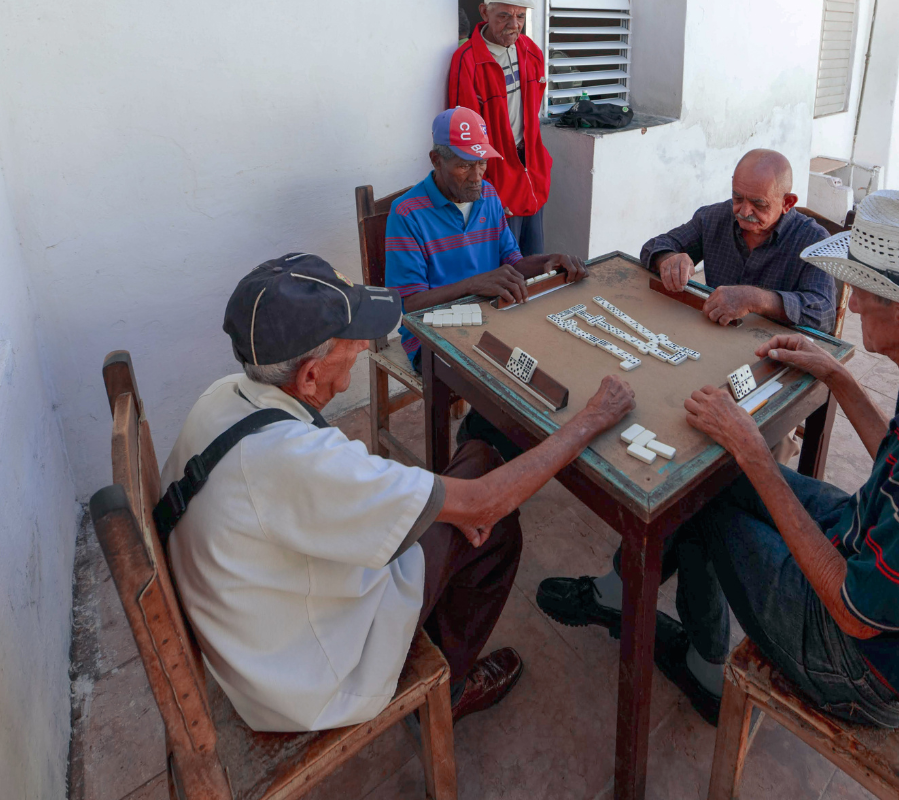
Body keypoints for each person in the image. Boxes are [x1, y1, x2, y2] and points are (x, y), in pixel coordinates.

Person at [539, 191, 899, 728]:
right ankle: (619, 590)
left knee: (696, 496)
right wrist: (837, 375)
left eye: (864, 293)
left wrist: (754, 451)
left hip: (869, 669)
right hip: (884, 555)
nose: (854, 304)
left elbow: (855, 612)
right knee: (718, 476)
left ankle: (703, 670)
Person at [161, 252, 634, 732]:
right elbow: (486, 502)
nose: (368, 344)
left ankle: (457, 531)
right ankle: (448, 690)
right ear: (308, 375)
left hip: (258, 615)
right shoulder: (300, 461)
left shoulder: (222, 395)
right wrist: (591, 419)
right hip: (303, 677)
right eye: (354, 340)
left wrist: (461, 508)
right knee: (495, 525)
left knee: (476, 470)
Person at [386, 106, 584, 372]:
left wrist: (548, 260)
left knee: (551, 354)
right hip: (432, 338)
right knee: (505, 376)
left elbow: (512, 262)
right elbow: (410, 304)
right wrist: (473, 284)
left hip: (492, 318)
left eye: (482, 162)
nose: (477, 176)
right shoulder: (407, 213)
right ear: (436, 160)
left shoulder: (489, 195)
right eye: (465, 165)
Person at [643, 149, 837, 332]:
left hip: (776, 347)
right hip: (717, 332)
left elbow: (824, 314)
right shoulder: (714, 218)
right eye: (737, 198)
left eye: (758, 204)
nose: (744, 212)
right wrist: (668, 259)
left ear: (787, 203)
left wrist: (757, 300)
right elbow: (655, 246)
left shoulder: (814, 239)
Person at [449, 1, 551, 255]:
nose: (514, 25)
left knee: (535, 259)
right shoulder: (468, 60)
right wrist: (484, 183)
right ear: (484, 12)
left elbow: (533, 114)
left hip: (531, 171)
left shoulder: (532, 52)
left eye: (520, 16)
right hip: (496, 177)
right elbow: (466, 137)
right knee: (505, 264)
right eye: (504, 15)